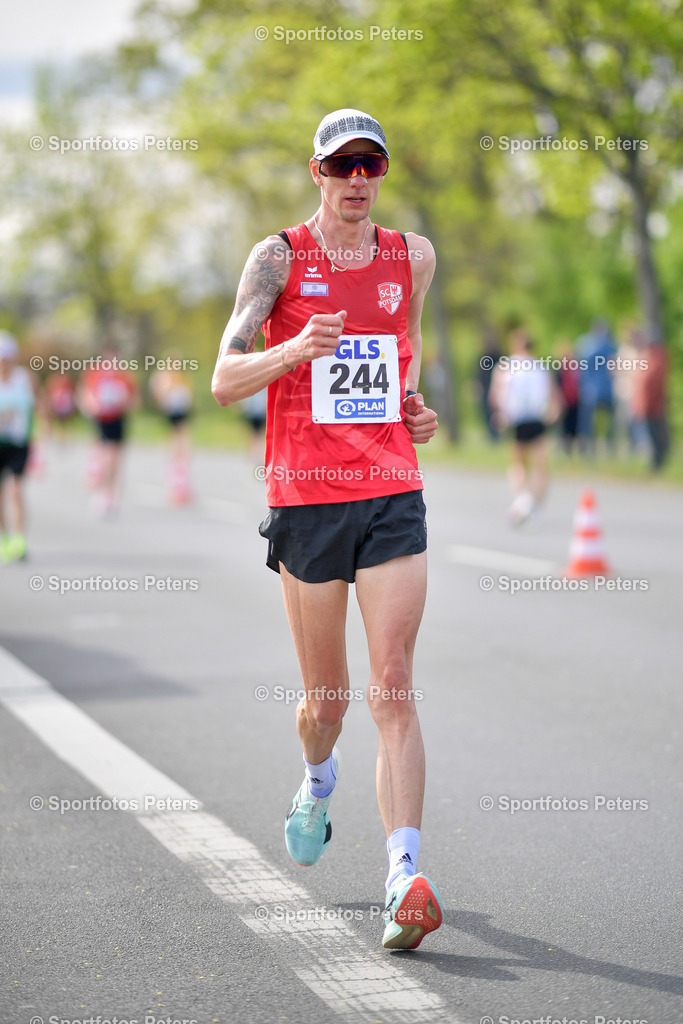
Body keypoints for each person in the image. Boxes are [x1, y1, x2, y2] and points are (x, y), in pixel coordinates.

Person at [211, 109, 442, 950]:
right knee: (328, 702)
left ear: (381, 173)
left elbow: (401, 353)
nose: (356, 181)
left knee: (392, 682)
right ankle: (316, 779)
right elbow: (224, 379)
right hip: (306, 497)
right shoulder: (277, 257)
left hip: (389, 488)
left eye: (368, 166)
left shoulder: (409, 256)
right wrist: (294, 350)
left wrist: (413, 410)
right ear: (315, 172)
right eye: (340, 166)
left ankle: (402, 876)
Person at [490, 330, 562, 526]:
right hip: (537, 417)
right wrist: (553, 412)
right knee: (540, 463)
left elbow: (496, 393)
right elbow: (554, 394)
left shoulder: (506, 366)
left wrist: (499, 413)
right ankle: (534, 505)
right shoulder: (540, 367)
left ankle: (524, 499)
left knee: (518, 462)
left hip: (515, 418)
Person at [78, 348, 138, 516]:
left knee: (116, 457)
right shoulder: (96, 372)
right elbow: (86, 393)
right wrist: (91, 406)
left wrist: (125, 402)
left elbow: (134, 397)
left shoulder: (124, 375)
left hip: (118, 418)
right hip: (103, 419)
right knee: (107, 455)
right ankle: (103, 491)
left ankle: (112, 493)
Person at [0, 331, 37, 562]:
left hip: (18, 442)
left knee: (15, 489)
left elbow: (36, 405)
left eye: (8, 358)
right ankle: (4, 539)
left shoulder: (24, 378)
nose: (5, 362)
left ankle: (20, 539)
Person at [149, 361, 194, 504]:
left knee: (183, 441)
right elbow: (158, 392)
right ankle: (175, 475)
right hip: (171, 414)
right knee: (175, 442)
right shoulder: (165, 378)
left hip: (182, 413)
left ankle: (181, 476)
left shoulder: (182, 378)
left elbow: (189, 395)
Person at [632, 337, 670, 471]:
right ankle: (655, 463)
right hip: (648, 405)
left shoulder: (655, 359)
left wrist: (645, 404)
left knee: (655, 436)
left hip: (652, 406)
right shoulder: (652, 357)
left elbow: (649, 384)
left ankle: (657, 463)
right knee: (651, 435)